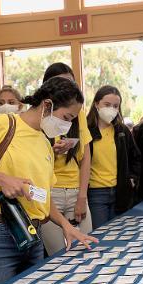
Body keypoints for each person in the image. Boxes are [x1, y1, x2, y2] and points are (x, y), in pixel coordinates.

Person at [0, 76, 98, 284]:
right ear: (47, 104)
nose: (67, 126)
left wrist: (65, 225)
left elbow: (42, 197)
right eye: (66, 117)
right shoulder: (2, 124)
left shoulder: (45, 143)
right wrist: (1, 179)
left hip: (33, 236)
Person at [39, 63, 94, 255]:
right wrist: (52, 152)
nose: (68, 90)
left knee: (87, 248)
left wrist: (82, 196)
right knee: (59, 255)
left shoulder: (77, 115)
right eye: (61, 84)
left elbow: (86, 158)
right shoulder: (38, 118)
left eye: (71, 83)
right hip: (48, 193)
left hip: (75, 189)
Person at [87, 85, 141, 229]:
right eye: (107, 104)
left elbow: (136, 157)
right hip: (95, 194)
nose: (111, 109)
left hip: (120, 192)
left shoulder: (121, 130)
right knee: (101, 235)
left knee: (120, 234)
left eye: (115, 106)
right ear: (96, 104)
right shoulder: (86, 130)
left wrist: (132, 178)